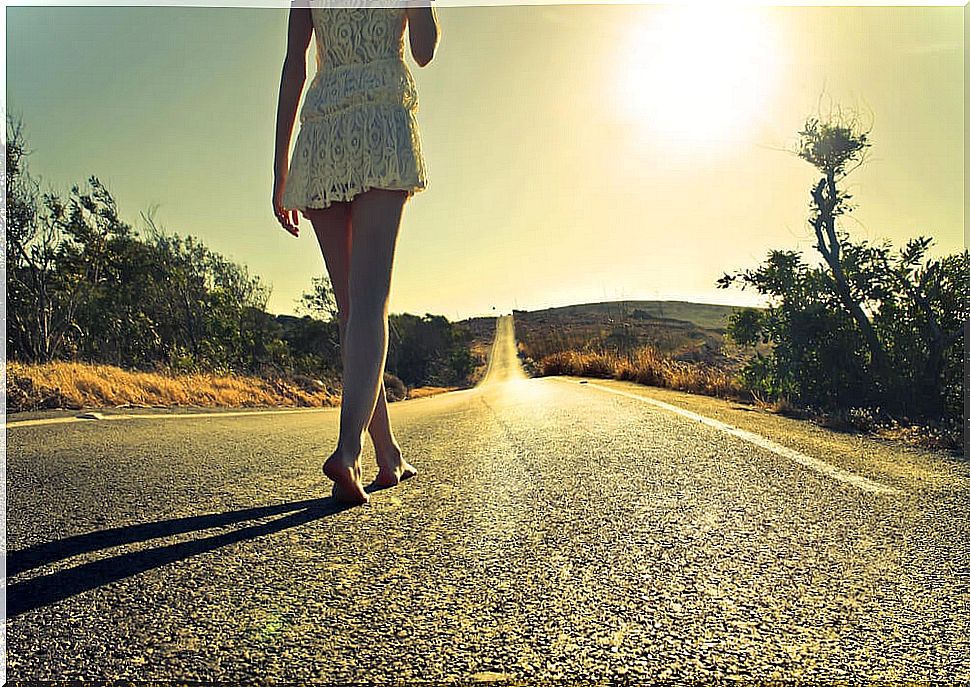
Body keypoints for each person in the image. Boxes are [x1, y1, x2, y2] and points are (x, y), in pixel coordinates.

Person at [272, 0, 439, 505]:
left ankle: (387, 453)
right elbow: (425, 51)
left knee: (352, 311)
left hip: (322, 133)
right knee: (370, 307)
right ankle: (348, 453)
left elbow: (292, 68)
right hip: (381, 127)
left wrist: (279, 169)